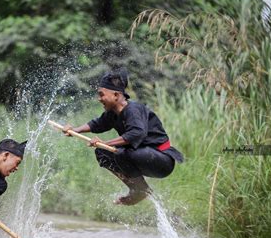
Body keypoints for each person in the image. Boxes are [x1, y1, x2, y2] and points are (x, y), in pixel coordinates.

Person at [63, 70, 183, 205]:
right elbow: (97, 124)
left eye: (101, 95)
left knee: (118, 151)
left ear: (116, 95)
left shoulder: (133, 109)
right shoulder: (112, 113)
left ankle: (141, 190)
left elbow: (136, 134)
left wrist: (106, 142)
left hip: (162, 160)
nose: (99, 99)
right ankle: (136, 188)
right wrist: (74, 130)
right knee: (103, 153)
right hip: (144, 157)